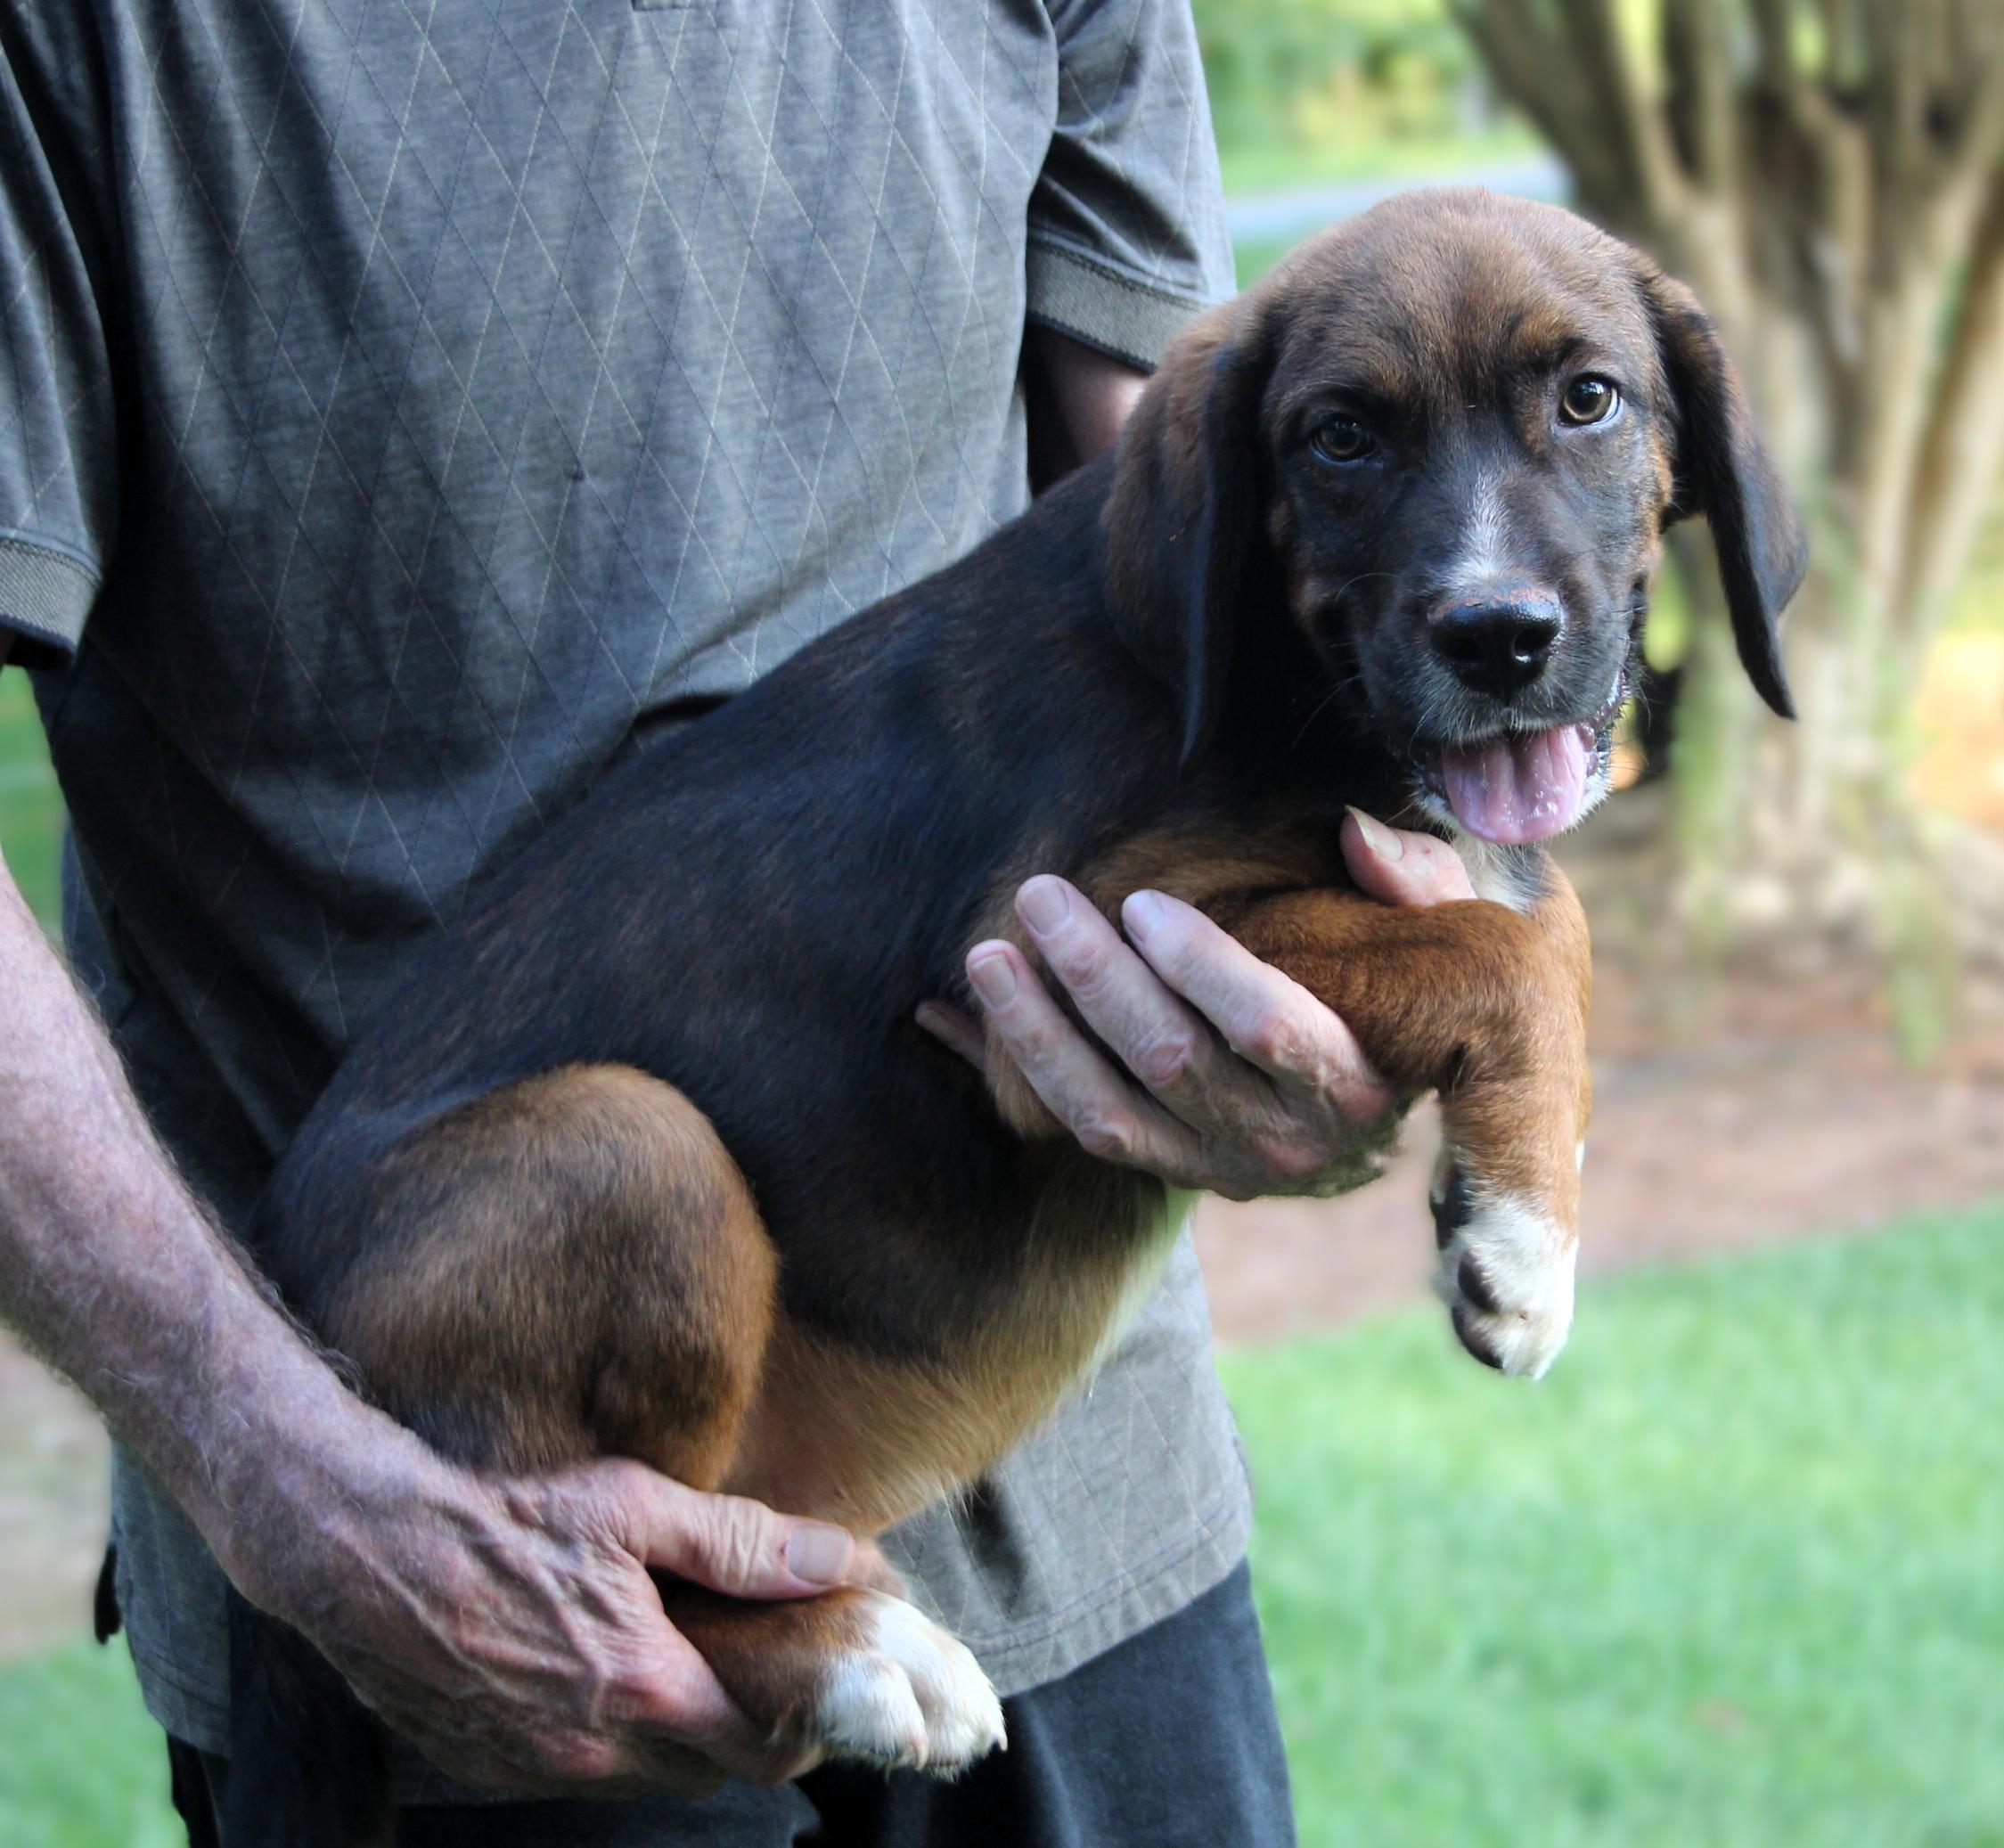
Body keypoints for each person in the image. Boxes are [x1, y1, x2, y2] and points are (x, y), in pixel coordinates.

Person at [0, 2, 1475, 1840]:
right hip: (490, 1561)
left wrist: (1349, 998)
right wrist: (294, 1485)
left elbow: (1181, 544)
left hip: (1081, 1517)